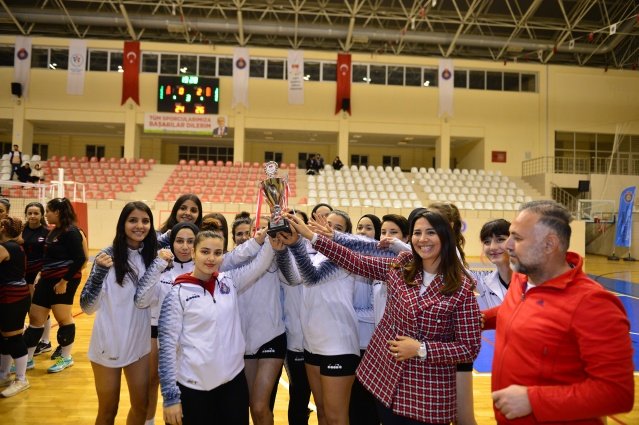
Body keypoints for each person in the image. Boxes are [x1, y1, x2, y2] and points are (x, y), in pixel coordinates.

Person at [285, 208, 482, 424]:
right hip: (386, 383)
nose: (422, 239)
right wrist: (312, 237)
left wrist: (421, 349)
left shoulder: (461, 287)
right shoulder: (403, 266)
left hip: (428, 393)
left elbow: (469, 347)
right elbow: (356, 261)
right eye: (417, 233)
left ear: (445, 236)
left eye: (431, 232)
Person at [485, 200, 634, 424]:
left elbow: (617, 394)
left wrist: (533, 400)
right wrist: (479, 319)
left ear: (549, 244)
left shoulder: (592, 304)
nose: (508, 245)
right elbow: (515, 310)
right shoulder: (523, 277)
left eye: (517, 238)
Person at [158, 229, 275, 425]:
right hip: (193, 388)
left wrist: (272, 238)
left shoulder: (229, 281)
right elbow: (167, 349)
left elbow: (259, 264)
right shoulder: (177, 293)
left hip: (233, 385)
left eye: (217, 253)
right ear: (194, 253)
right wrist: (170, 397)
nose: (211, 258)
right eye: (205, 252)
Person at [80, 202, 173, 425]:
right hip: (108, 343)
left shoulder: (152, 258)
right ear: (122, 224)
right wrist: (99, 273)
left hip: (139, 345)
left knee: (141, 407)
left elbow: (144, 300)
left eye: (145, 221)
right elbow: (87, 307)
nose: (139, 226)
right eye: (133, 220)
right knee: (108, 410)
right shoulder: (107, 256)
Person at [275, 210, 359, 425]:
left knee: (336, 416)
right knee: (322, 412)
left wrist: (296, 244)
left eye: (337, 228)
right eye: (326, 223)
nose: (327, 229)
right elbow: (293, 278)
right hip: (311, 345)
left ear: (345, 235)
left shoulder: (344, 256)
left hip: (338, 346)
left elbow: (312, 277)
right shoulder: (311, 254)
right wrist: (282, 250)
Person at [139, 221, 197, 425]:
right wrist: (157, 266)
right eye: (179, 241)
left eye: (190, 241)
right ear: (171, 243)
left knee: (188, 383)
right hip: (159, 332)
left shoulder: (203, 269)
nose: (185, 246)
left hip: (191, 336)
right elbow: (142, 300)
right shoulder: (161, 265)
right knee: (155, 381)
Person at [233, 213, 287, 425]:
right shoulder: (230, 263)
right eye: (240, 234)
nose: (245, 236)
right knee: (249, 406)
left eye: (250, 232)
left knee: (259, 406)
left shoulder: (273, 258)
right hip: (245, 342)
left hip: (272, 337)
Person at [22, 198, 87, 373]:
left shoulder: (71, 231)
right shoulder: (53, 231)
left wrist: (64, 281)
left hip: (63, 281)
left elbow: (80, 259)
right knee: (35, 318)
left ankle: (65, 357)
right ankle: (27, 360)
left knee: (63, 318)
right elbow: (48, 257)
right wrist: (41, 273)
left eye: (49, 211)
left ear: (58, 212)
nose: (47, 214)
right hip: (46, 279)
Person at [0, 216, 31, 397]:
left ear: (3, 229)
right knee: (4, 337)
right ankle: (4, 375)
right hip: (10, 296)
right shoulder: (13, 246)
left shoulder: (6, 247)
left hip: (12, 297)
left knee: (13, 338)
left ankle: (21, 379)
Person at [21, 202, 53, 356]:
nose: (32, 216)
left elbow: (51, 255)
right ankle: (28, 336)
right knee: (26, 306)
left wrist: (42, 272)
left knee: (40, 307)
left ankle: (45, 341)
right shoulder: (20, 231)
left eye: (36, 213)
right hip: (22, 274)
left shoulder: (47, 232)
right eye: (30, 213)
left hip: (39, 275)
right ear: (26, 215)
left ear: (41, 215)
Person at [468, 219, 512, 310]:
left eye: (500, 240)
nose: (492, 247)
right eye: (487, 242)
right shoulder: (482, 282)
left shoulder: (532, 280)